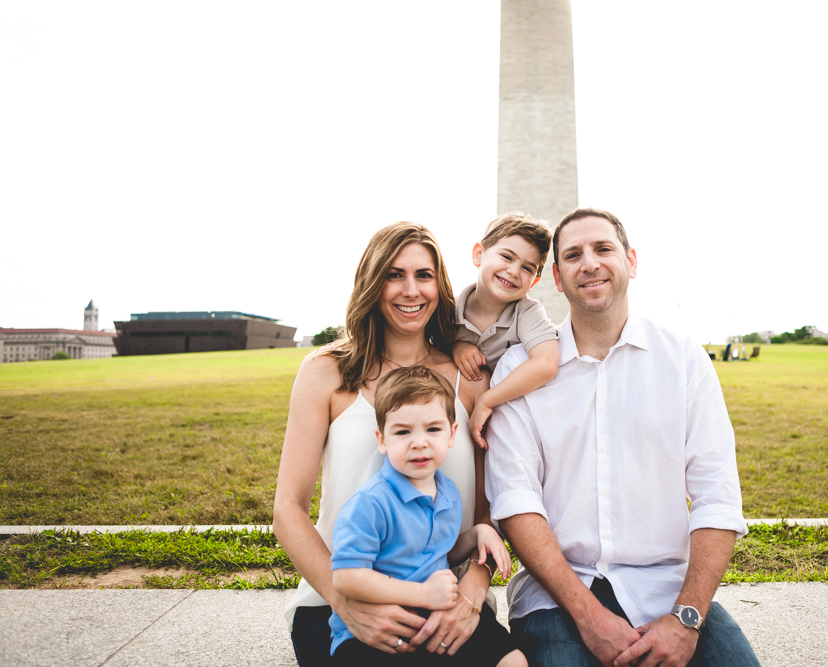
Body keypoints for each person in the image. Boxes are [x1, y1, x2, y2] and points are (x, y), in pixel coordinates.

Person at [485, 208, 761, 667]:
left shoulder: (684, 360)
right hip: (557, 597)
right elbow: (516, 501)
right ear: (556, 277)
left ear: (632, 261)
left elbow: (717, 496)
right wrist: (588, 615)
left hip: (668, 591)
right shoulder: (519, 371)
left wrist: (687, 617)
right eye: (572, 255)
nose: (589, 263)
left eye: (603, 249)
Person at [273, 222, 505, 665]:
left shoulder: (471, 382)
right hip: (336, 600)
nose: (410, 290)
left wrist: (474, 589)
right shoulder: (325, 372)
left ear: (440, 285)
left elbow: (486, 513)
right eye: (394, 275)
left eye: (424, 275)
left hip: (445, 600)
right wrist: (348, 605)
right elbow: (287, 509)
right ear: (371, 283)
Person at [329, 365, 527, 666]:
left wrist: (475, 535)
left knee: (513, 659)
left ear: (452, 434)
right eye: (403, 431)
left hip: (434, 614)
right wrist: (423, 594)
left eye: (433, 429)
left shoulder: (447, 493)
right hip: (377, 630)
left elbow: (443, 551)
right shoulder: (371, 504)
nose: (419, 442)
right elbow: (346, 578)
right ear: (382, 439)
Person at [451, 212, 560, 447]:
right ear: (478, 254)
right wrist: (454, 346)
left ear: (534, 282)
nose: (513, 271)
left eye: (527, 268)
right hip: (452, 426)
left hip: (509, 429)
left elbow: (547, 363)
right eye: (507, 257)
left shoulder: (527, 311)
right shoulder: (447, 310)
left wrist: (487, 400)